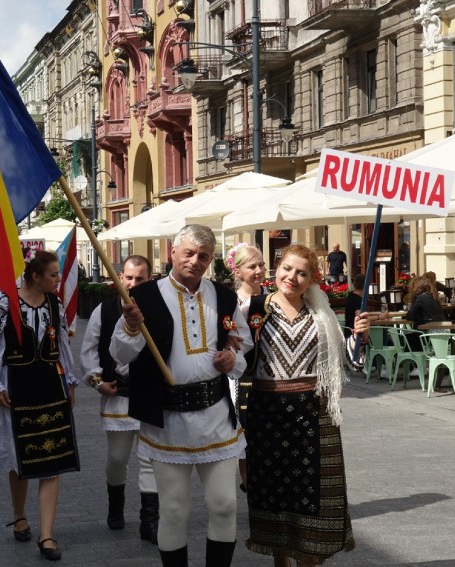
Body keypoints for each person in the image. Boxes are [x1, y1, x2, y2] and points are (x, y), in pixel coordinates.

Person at [110, 224, 252, 567]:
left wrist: (232, 358)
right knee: (173, 511)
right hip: (167, 421)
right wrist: (130, 327)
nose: (195, 261)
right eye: (188, 253)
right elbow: (120, 356)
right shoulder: (141, 298)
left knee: (224, 505)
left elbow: (241, 342)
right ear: (172, 252)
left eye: (203, 256)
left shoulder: (225, 296)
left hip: (216, 415)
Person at [243, 244, 368, 567]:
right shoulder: (253, 309)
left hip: (314, 415)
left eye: (302, 273)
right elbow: (237, 360)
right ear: (276, 269)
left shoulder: (321, 315)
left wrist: (359, 336)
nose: (292, 277)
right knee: (276, 500)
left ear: (312, 279)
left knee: (314, 502)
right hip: (266, 416)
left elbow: (349, 361)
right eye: (287, 269)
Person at [0, 250, 79, 562]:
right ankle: (20, 515)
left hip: (49, 384)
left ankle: (47, 535)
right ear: (36, 276)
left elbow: (61, 342)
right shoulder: (5, 304)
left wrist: (70, 380)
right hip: (16, 385)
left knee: (53, 458)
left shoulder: (54, 304)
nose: (57, 280)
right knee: (20, 457)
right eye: (52, 275)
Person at [80, 254, 159, 543]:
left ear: (149, 279)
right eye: (128, 276)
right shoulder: (105, 309)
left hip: (150, 392)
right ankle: (115, 507)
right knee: (117, 458)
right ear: (120, 277)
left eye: (140, 278)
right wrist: (97, 380)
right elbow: (88, 350)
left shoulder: (159, 307)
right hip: (119, 395)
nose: (132, 282)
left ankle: (150, 520)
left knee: (151, 457)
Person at [227, 242, 266, 489]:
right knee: (245, 431)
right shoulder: (231, 301)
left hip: (270, 371)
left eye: (261, 264)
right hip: (243, 375)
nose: (259, 270)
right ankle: (247, 483)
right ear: (238, 271)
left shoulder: (274, 297)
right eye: (252, 266)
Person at [405, 276, 446, 350]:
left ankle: (413, 358)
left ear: (416, 286)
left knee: (407, 336)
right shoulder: (433, 296)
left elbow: (410, 316)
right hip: (441, 330)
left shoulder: (420, 298)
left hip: (427, 331)